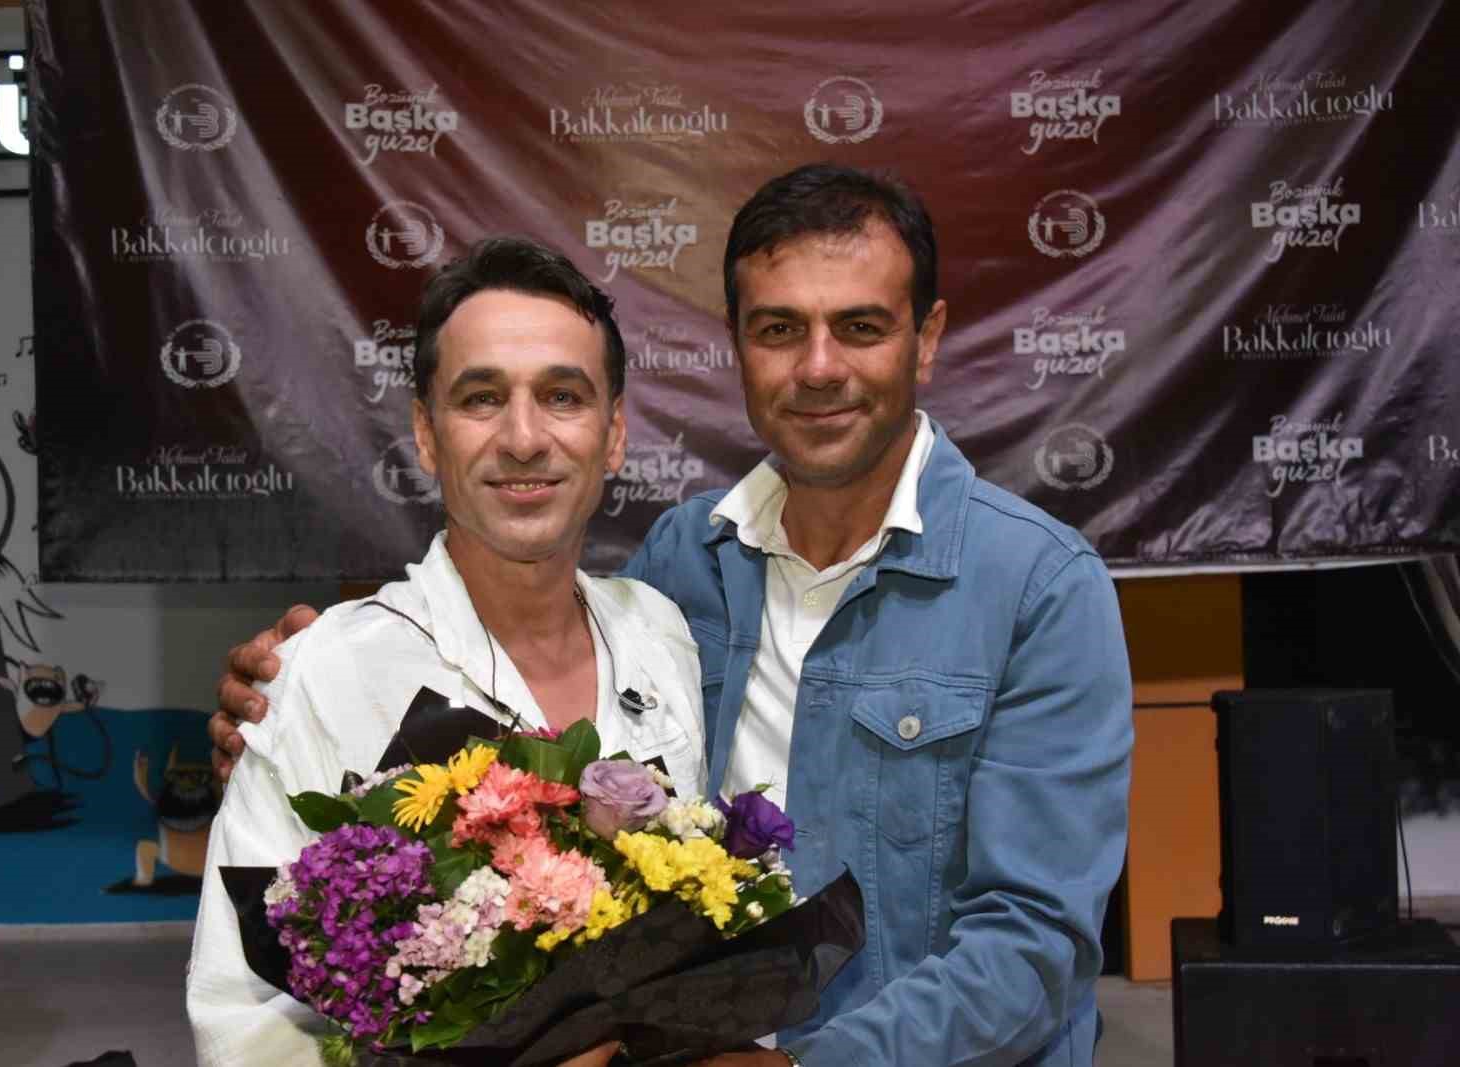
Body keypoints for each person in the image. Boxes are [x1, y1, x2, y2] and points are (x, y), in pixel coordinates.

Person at [212, 164, 1134, 1067]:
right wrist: (302, 700)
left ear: (926, 339)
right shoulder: (679, 572)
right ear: (737, 344)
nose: (819, 367)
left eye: (860, 327)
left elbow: (1034, 942)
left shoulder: (1039, 588)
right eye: (779, 328)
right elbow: (521, 643)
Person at [185, 237, 707, 1067]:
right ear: (427, 434)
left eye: (563, 396)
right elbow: (242, 1023)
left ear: (614, 434)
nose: (524, 437)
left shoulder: (660, 636)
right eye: (481, 398)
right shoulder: (324, 673)